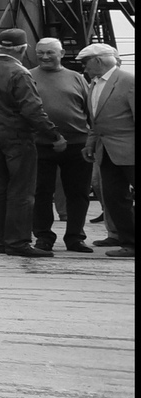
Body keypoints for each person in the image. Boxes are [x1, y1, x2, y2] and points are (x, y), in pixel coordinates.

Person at [0, 28, 64, 258]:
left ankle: (2, 242)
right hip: (17, 138)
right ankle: (18, 243)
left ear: (1, 46)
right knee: (22, 191)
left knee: (0, 191)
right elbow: (32, 110)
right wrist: (54, 135)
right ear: (22, 48)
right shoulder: (19, 73)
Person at [28, 38, 95, 252]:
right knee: (41, 192)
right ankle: (43, 237)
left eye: (50, 53)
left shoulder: (76, 78)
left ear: (62, 53)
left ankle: (75, 237)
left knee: (78, 192)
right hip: (40, 144)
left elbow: (90, 110)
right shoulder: (27, 76)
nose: (45, 57)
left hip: (76, 144)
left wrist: (92, 140)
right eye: (41, 53)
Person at [77, 43, 134, 257]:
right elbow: (96, 120)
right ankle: (128, 241)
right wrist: (90, 144)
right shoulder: (95, 84)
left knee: (120, 197)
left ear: (98, 61)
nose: (84, 68)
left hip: (130, 150)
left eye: (86, 63)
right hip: (107, 152)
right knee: (114, 197)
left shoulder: (128, 82)